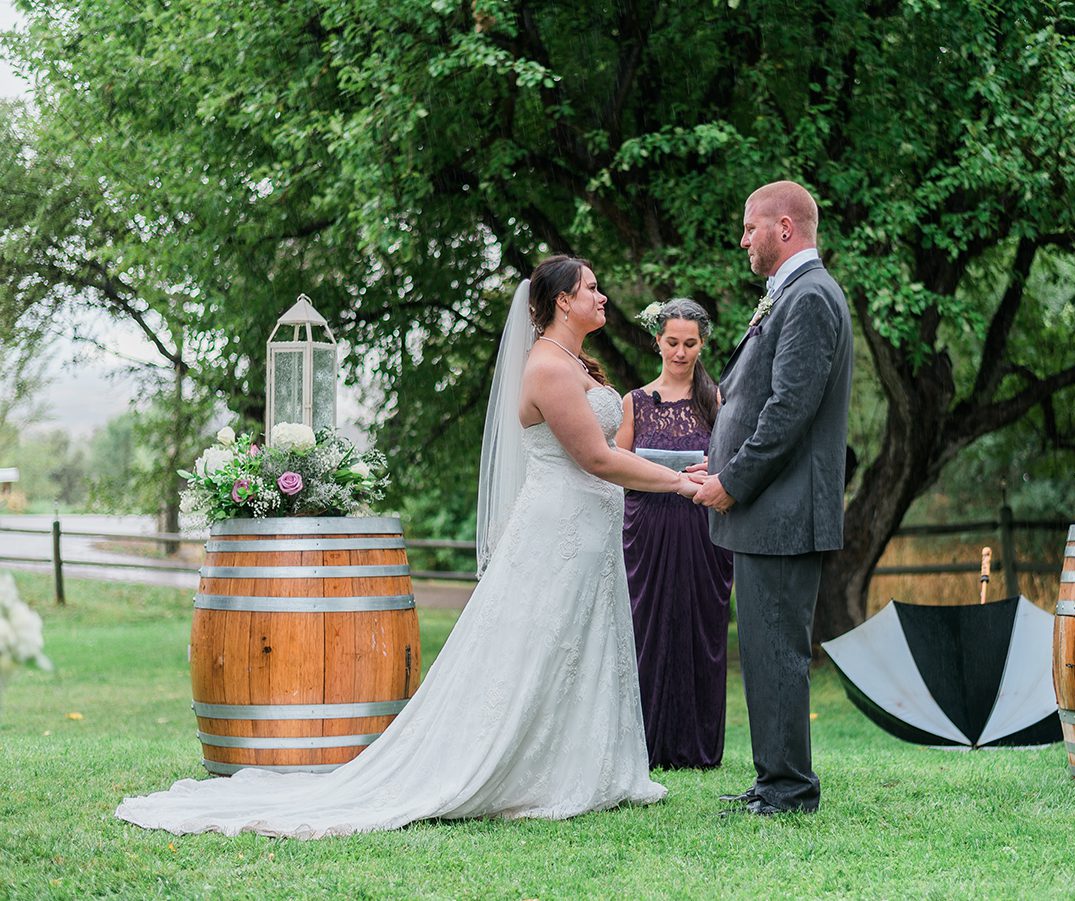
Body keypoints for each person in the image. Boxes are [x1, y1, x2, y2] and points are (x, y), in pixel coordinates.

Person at [115, 255, 705, 838]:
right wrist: (680, 483)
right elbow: (596, 458)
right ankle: (522, 770)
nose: (603, 298)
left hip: (587, 531)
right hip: (561, 529)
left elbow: (610, 450)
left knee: (582, 643)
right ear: (562, 302)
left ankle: (589, 770)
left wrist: (681, 470)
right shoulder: (548, 368)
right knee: (538, 647)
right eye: (592, 289)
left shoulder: (572, 362)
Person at [693, 181, 853, 816]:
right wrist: (722, 455)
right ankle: (773, 781)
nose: (743, 240)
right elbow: (752, 395)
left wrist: (732, 482)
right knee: (760, 651)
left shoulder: (810, 297)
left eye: (749, 228)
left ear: (783, 228)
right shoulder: (790, 294)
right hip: (770, 512)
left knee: (777, 650)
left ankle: (788, 791)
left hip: (783, 512)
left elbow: (790, 409)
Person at [616, 299, 735, 769]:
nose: (680, 353)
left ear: (702, 344)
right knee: (648, 632)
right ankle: (645, 746)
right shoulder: (635, 402)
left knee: (700, 629)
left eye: (690, 344)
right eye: (672, 343)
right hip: (646, 529)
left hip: (704, 530)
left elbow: (735, 465)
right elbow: (613, 468)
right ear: (657, 342)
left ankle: (699, 748)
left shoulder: (718, 402)